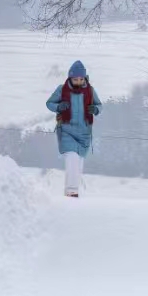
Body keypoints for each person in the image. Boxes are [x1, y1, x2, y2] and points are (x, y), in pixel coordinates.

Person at [46, 61, 100, 197]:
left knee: (79, 163)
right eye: (75, 79)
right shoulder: (61, 89)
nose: (78, 82)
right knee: (72, 158)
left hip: (84, 133)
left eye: (81, 79)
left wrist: (96, 109)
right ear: (70, 77)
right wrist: (59, 107)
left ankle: (71, 194)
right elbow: (49, 103)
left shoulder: (90, 91)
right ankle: (71, 191)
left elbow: (99, 105)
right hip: (66, 130)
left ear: (84, 78)